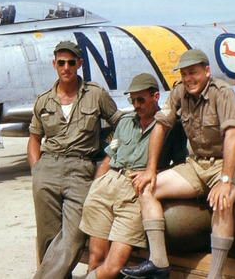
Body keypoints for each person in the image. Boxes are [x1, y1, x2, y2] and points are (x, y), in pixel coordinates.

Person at [121, 49, 235, 279]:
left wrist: (225, 180)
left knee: (222, 203)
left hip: (227, 164)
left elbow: (233, 136)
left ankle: (215, 274)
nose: (188, 78)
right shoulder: (179, 92)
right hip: (197, 165)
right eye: (184, 74)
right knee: (147, 188)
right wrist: (150, 171)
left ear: (207, 71)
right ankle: (159, 262)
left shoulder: (222, 93)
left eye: (193, 72)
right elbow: (160, 126)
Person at [27, 40, 123, 279]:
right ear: (54, 64)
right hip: (47, 168)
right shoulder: (43, 100)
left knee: (74, 236)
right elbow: (34, 138)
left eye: (71, 62)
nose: (66, 67)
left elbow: (121, 124)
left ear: (79, 64)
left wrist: (110, 157)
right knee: (48, 238)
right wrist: (36, 169)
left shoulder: (96, 94)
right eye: (61, 62)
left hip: (81, 168)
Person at [79, 73, 187, 279]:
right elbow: (109, 158)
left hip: (135, 192)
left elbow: (180, 164)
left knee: (113, 266)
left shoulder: (172, 127)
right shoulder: (126, 122)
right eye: (132, 100)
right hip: (107, 185)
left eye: (141, 99)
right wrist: (96, 186)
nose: (136, 105)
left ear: (156, 97)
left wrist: (153, 172)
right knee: (95, 258)